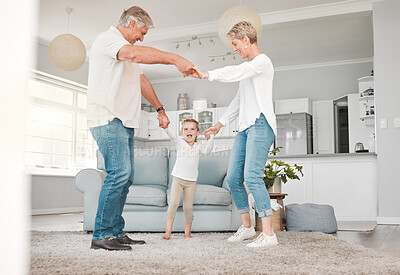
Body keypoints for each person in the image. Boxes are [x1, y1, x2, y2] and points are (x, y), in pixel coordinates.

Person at [87, 6, 194, 251]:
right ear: (132, 23)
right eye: (142, 32)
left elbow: (141, 80)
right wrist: (175, 59)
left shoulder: (126, 53)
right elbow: (134, 54)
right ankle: (102, 235)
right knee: (119, 174)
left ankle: (115, 231)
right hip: (107, 118)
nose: (142, 38)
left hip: (124, 121)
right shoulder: (109, 40)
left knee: (126, 178)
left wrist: (160, 109)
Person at [191, 21, 278, 248]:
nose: (235, 49)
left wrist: (208, 74)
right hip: (245, 127)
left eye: (236, 44)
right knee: (233, 178)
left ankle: (269, 234)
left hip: (261, 125)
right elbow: (238, 101)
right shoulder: (248, 70)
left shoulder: (261, 62)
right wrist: (218, 125)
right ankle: (248, 228)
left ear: (247, 40)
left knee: (252, 177)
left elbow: (237, 70)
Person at [162, 119, 214, 239]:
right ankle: (168, 232)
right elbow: (171, 135)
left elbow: (207, 151)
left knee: (188, 208)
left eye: (192, 129)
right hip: (178, 179)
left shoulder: (198, 146)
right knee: (173, 204)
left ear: (197, 132)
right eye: (186, 129)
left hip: (191, 182)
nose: (189, 131)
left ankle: (187, 233)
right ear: (182, 132)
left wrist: (211, 138)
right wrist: (165, 127)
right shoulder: (180, 143)